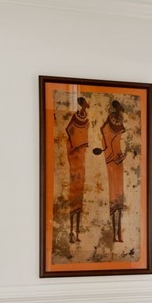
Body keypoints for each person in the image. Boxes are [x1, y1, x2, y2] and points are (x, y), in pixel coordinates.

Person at [100, 100, 127, 243]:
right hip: (112, 163)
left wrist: (121, 156)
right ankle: (114, 234)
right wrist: (113, 158)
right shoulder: (106, 127)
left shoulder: (118, 124)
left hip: (118, 163)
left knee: (119, 199)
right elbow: (105, 145)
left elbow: (119, 144)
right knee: (113, 197)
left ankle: (119, 233)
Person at [64, 97, 91, 243]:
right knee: (74, 197)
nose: (88, 105)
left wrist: (81, 147)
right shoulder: (75, 117)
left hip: (82, 160)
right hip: (75, 160)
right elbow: (70, 133)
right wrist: (76, 146)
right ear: (82, 104)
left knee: (79, 198)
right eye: (86, 103)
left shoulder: (85, 119)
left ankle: (78, 233)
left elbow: (84, 139)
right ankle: (71, 232)